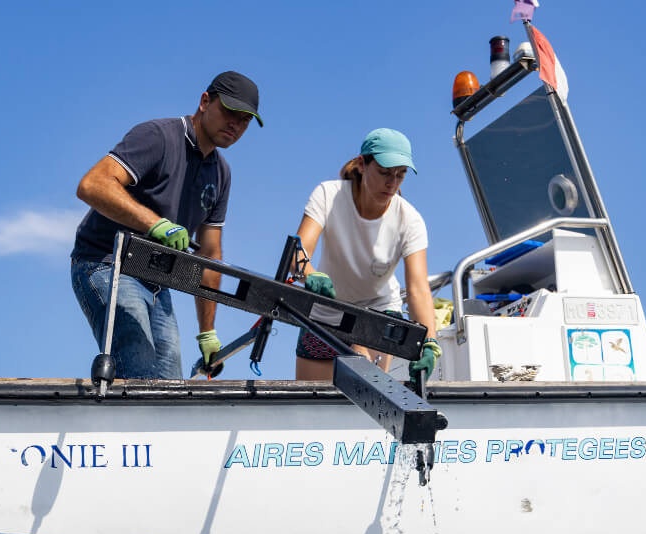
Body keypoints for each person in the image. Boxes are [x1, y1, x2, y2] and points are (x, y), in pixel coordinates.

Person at [70, 71, 262, 379]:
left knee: (169, 386)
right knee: (141, 371)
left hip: (156, 281)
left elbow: (210, 255)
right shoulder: (158, 137)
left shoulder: (220, 174)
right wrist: (155, 224)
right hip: (106, 264)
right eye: (230, 112)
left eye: (245, 120)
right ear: (204, 101)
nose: (235, 125)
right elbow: (92, 184)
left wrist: (207, 333)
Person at [292, 128, 441, 382]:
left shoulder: (410, 220)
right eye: (384, 172)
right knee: (307, 400)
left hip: (379, 312)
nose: (392, 183)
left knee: (363, 381)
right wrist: (310, 274)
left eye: (400, 175)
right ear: (362, 164)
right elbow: (299, 253)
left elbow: (418, 289)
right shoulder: (328, 195)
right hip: (328, 305)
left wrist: (430, 343)